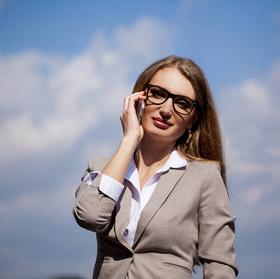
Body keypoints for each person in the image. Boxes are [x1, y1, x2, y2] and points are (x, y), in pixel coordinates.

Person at [73, 55, 238, 279]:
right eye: (158, 94)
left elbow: (220, 265)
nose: (167, 109)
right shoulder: (101, 169)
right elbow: (90, 217)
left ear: (193, 119)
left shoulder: (204, 176)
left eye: (182, 103)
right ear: (140, 97)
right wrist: (130, 139)